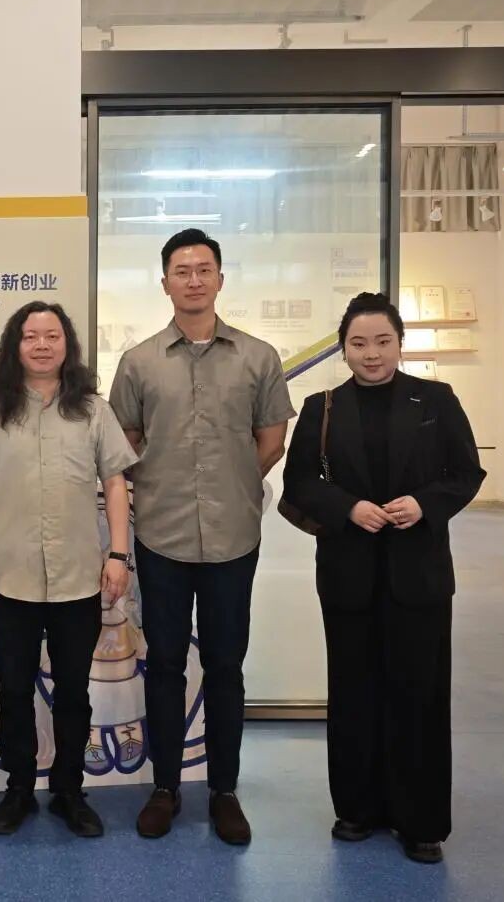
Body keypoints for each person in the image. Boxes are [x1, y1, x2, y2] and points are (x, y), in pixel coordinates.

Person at [283, 292, 485, 865]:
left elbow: (465, 473)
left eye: (382, 341)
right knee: (352, 691)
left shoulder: (436, 400)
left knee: (419, 694)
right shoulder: (322, 408)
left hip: (418, 575)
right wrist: (348, 507)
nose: (371, 354)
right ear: (343, 350)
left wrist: (425, 504)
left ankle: (420, 820)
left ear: (399, 343)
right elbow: (299, 483)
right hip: (348, 574)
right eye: (358, 343)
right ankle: (356, 808)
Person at [109, 228, 294, 846]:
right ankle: (165, 787)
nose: (193, 279)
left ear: (219, 278)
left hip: (233, 537)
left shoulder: (258, 357)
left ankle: (224, 792)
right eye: (182, 271)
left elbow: (271, 441)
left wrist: (230, 485)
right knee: (163, 664)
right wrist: (167, 489)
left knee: (225, 666)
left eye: (204, 269)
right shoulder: (138, 362)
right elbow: (124, 444)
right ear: (164, 283)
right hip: (160, 537)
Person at [0, 301, 137, 839]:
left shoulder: (92, 410)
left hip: (80, 576)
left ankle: (69, 791)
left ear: (66, 345)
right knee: (13, 690)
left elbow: (116, 482)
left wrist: (118, 554)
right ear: (16, 345)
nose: (41, 345)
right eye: (30, 336)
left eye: (51, 335)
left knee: (74, 692)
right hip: (11, 578)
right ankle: (17, 790)